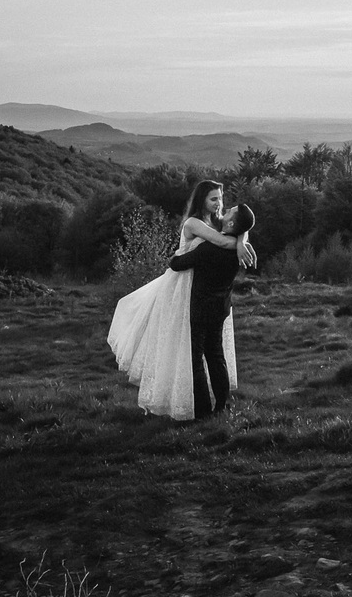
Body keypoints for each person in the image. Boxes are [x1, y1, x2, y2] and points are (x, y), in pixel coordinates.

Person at [106, 180, 255, 421]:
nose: (219, 204)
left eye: (220, 199)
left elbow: (229, 232)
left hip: (200, 297)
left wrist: (240, 239)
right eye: (213, 199)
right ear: (201, 200)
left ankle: (204, 410)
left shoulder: (218, 224)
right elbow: (229, 235)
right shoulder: (194, 223)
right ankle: (220, 407)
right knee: (213, 354)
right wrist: (240, 241)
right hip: (189, 293)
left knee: (198, 356)